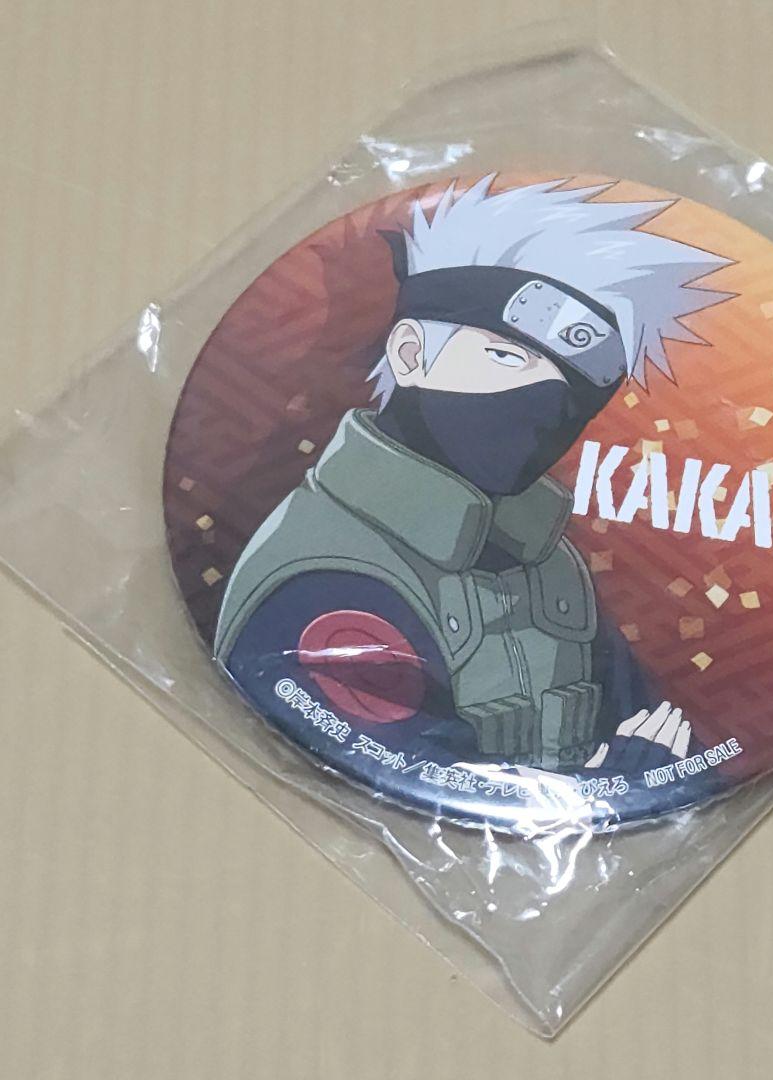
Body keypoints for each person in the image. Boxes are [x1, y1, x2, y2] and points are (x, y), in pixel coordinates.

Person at [215, 175, 734, 773]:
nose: (545, 405)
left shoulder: (548, 564)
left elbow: (658, 745)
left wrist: (633, 771)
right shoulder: (331, 575)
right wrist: (614, 775)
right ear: (410, 354)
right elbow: (395, 773)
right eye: (506, 357)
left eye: (575, 391)